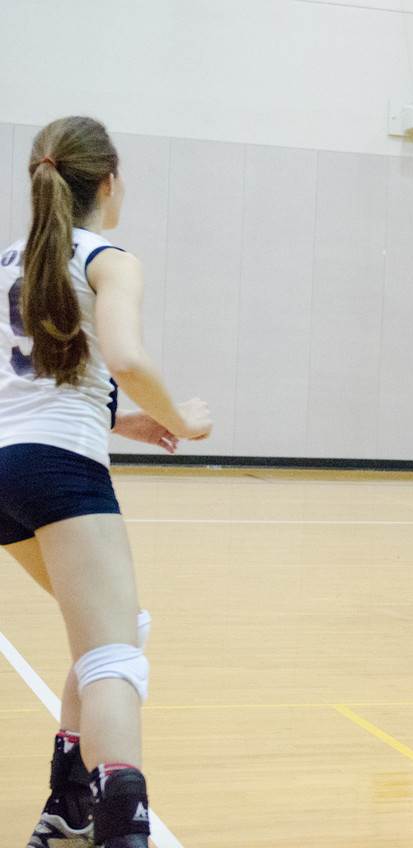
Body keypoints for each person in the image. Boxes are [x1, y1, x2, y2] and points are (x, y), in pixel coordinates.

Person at [1, 117, 213, 848]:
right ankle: (122, 828)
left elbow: (34, 381)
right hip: (59, 469)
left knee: (111, 630)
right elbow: (123, 357)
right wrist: (181, 422)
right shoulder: (108, 258)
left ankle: (69, 805)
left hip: (5, 471)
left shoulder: (6, 262)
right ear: (110, 181)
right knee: (115, 655)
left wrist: (125, 422)